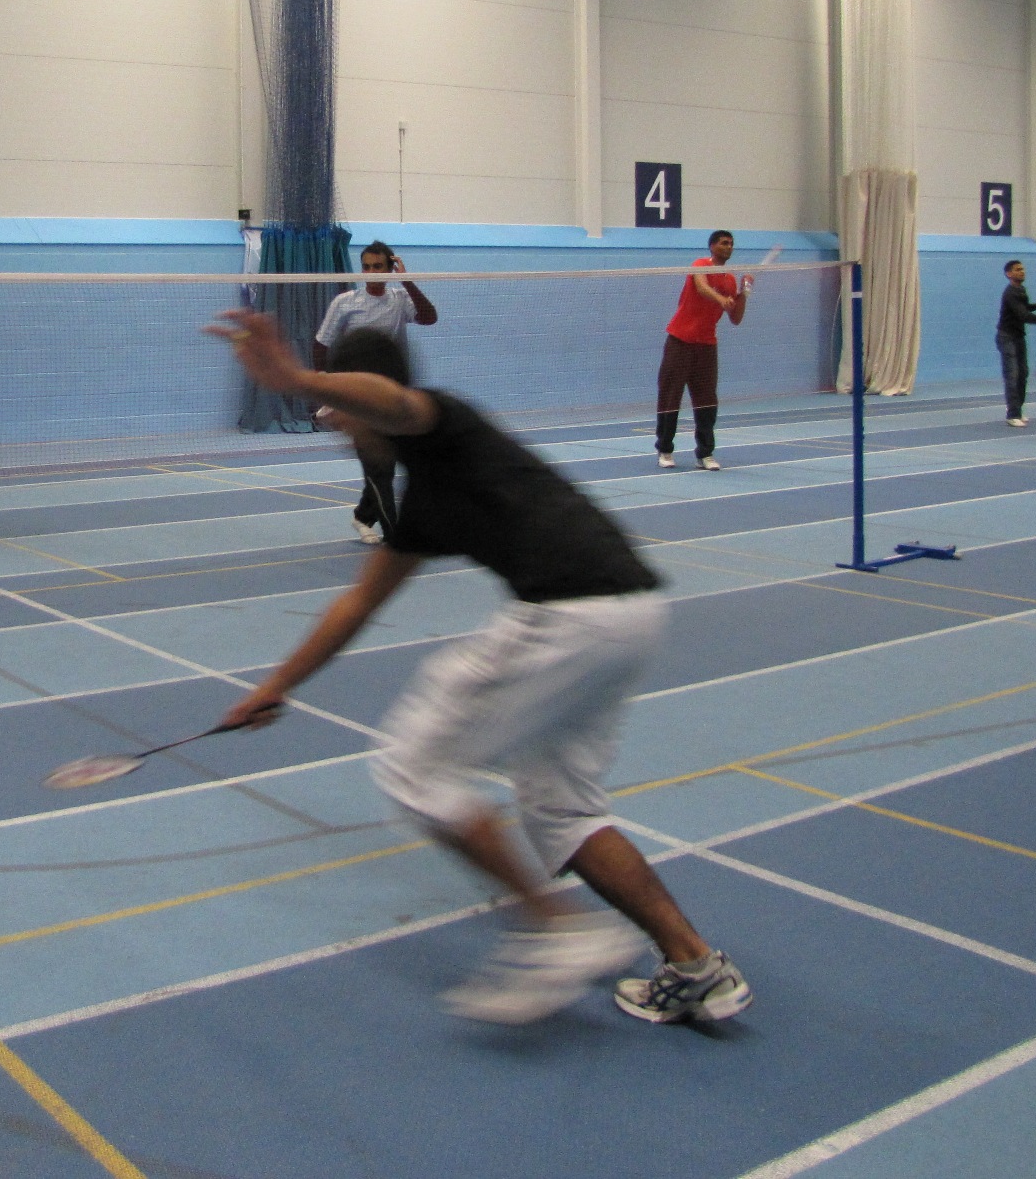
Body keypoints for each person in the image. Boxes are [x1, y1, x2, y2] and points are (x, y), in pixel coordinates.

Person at [210, 314, 752, 1028]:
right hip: (631, 614)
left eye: (333, 411)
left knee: (412, 766)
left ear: (353, 396)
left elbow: (396, 401)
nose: (335, 427)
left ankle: (556, 929)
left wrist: (295, 378)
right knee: (564, 810)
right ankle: (695, 966)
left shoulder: (437, 421)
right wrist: (276, 687)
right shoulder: (425, 496)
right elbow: (359, 602)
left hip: (571, 614)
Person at [313, 241, 438, 544]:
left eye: (377, 267)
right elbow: (321, 345)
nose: (370, 272)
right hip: (358, 400)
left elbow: (429, 317)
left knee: (387, 463)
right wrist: (328, 391)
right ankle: (396, 538)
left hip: (392, 398)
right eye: (366, 266)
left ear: (389, 268)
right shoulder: (345, 302)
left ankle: (361, 516)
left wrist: (406, 280)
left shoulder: (399, 300)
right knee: (379, 471)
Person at [656, 229, 747, 470]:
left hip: (707, 346)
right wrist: (721, 300)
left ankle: (705, 453)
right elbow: (702, 287)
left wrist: (744, 292)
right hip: (680, 341)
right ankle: (665, 449)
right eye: (724, 243)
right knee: (670, 397)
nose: (729, 247)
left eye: (731, 244)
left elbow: (735, 318)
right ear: (712, 246)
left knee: (707, 402)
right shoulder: (700, 265)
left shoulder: (729, 279)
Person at [996, 259, 1036, 427]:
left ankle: (1018, 409)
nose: (1022, 271)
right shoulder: (1010, 293)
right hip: (1006, 337)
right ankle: (1012, 414)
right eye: (1017, 269)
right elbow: (1024, 316)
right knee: (1012, 375)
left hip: (1018, 337)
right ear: (1009, 274)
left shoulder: (1021, 290)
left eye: (1023, 269)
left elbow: (1025, 308)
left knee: (1023, 374)